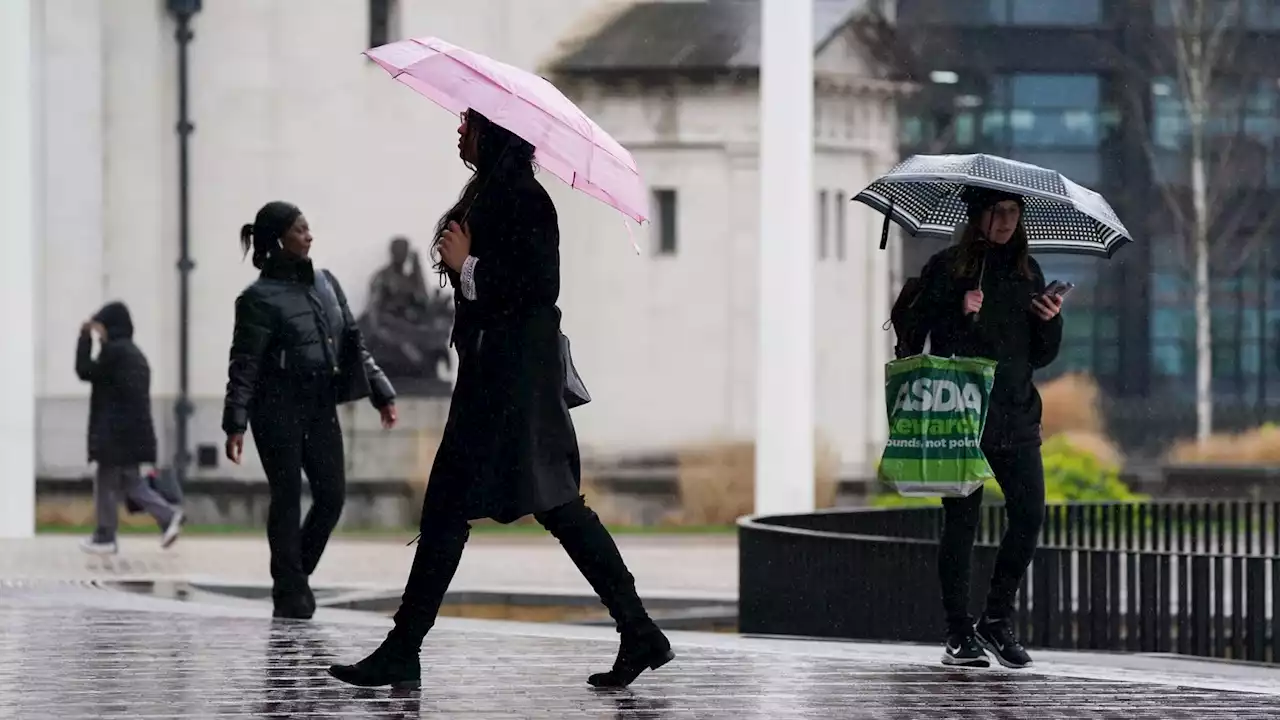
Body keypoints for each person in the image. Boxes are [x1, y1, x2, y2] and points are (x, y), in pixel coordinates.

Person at [327, 109, 673, 691]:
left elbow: (537, 289)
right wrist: (462, 267)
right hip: (495, 380)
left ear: (495, 134)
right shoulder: (492, 192)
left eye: (468, 125)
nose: (459, 133)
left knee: (523, 507)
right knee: (500, 508)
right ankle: (635, 629)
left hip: (512, 385)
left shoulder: (529, 201)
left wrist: (467, 267)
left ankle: (405, 649)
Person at [897, 186, 1064, 670]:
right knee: (962, 522)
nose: (1006, 221)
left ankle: (995, 618)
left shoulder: (1027, 271)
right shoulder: (948, 267)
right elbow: (914, 332)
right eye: (997, 212)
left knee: (1029, 515)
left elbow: (1039, 355)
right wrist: (957, 309)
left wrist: (1051, 321)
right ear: (977, 216)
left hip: (1015, 412)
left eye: (1014, 212)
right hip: (962, 414)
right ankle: (957, 632)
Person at [223, 201, 398, 619]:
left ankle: (291, 580)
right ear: (280, 239)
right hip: (276, 406)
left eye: (307, 228)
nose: (309, 235)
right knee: (286, 497)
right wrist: (235, 423)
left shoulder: (326, 282)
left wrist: (382, 393)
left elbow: (353, 342)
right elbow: (243, 364)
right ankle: (291, 593)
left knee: (331, 496)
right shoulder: (256, 299)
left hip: (321, 404)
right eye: (300, 229)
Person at [76, 301, 183, 554]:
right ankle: (167, 517)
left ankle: (105, 536)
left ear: (111, 327)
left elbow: (84, 371)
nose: (98, 332)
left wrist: (84, 338)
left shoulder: (114, 353)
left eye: (101, 327)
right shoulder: (133, 353)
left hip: (117, 436)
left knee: (106, 482)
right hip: (133, 435)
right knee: (132, 484)